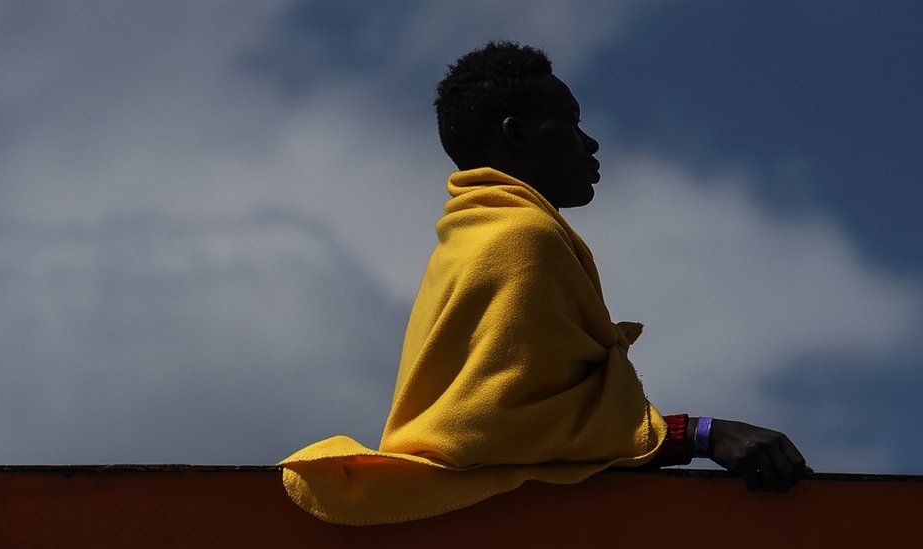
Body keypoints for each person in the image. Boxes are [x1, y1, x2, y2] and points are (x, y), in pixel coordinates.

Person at [277, 40, 809, 526]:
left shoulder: (470, 235)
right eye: (571, 122)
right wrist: (699, 434)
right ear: (517, 135)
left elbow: (525, 413)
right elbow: (503, 424)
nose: (590, 141)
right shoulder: (522, 237)